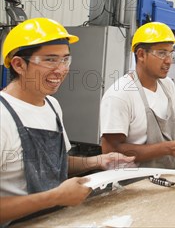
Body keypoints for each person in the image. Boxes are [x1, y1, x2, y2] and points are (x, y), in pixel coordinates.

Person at [0, 18, 135, 225]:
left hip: (57, 220)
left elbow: (54, 163)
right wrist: (55, 197)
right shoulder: (3, 115)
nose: (61, 69)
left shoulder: (52, 105)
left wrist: (98, 161)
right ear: (19, 64)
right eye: (50, 60)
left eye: (65, 60)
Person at [100, 22, 175, 168]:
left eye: (171, 53)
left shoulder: (167, 85)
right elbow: (111, 150)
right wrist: (170, 148)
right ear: (141, 55)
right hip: (131, 184)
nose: (169, 60)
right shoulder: (120, 94)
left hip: (167, 176)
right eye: (162, 53)